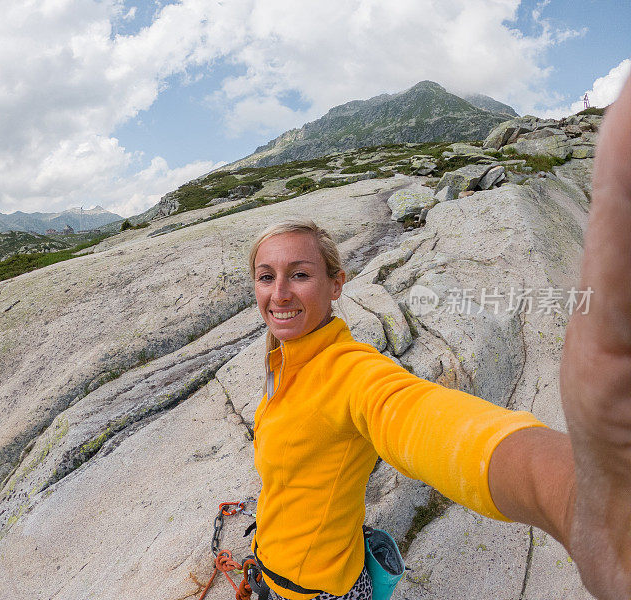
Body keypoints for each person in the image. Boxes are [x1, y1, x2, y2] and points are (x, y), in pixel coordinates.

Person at [246, 74, 631, 600]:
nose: (280, 293)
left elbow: (427, 421)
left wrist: (576, 498)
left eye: (300, 274)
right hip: (272, 566)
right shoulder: (281, 357)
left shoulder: (352, 372)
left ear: (338, 284)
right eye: (266, 277)